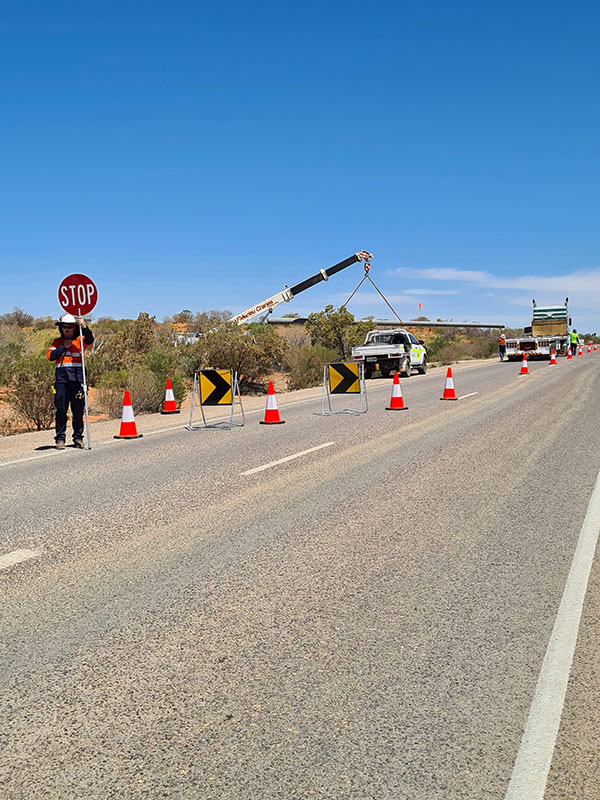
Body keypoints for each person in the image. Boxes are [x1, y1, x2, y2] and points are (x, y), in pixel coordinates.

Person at [47, 314, 94, 449]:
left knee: (78, 411)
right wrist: (63, 347)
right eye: (64, 327)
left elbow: (90, 339)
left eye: (69, 327)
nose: (66, 330)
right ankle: (60, 439)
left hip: (78, 381)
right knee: (61, 410)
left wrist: (84, 326)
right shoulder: (56, 342)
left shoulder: (80, 340)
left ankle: (78, 438)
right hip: (61, 382)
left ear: (74, 328)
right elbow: (50, 356)